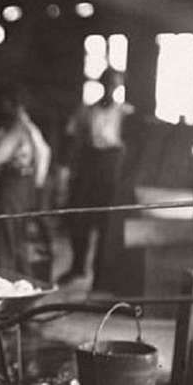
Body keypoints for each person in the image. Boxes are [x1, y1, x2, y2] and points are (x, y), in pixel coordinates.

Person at [59, 67, 134, 287]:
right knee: (79, 218)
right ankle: (77, 266)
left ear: (119, 87)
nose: (111, 88)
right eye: (108, 83)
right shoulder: (87, 111)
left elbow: (133, 146)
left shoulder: (125, 113)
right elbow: (72, 139)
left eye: (115, 85)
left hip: (111, 169)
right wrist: (67, 168)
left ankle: (101, 276)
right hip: (88, 166)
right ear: (102, 84)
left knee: (106, 223)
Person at [0, 85, 51, 276]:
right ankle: (16, 280)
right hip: (19, 185)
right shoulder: (24, 128)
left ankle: (6, 281)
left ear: (15, 105)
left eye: (4, 104)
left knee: (6, 238)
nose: (0, 108)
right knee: (13, 238)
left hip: (14, 186)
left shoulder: (19, 127)